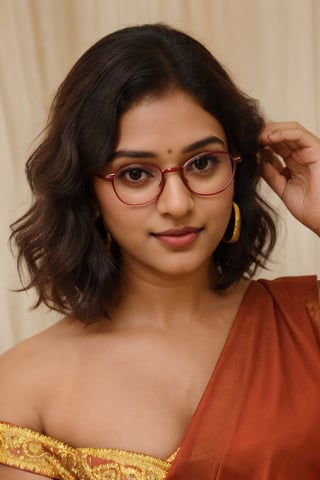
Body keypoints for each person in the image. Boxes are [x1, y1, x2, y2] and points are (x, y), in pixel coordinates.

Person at [0, 23, 319, 480]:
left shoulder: (307, 323)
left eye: (203, 164)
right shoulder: (24, 387)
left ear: (238, 167)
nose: (177, 203)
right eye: (135, 174)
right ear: (86, 189)